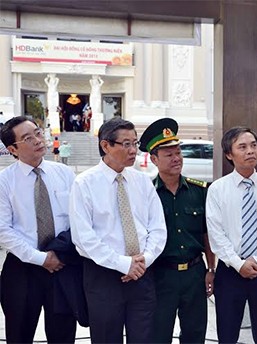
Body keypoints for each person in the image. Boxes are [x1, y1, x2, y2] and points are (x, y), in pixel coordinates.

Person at [69, 117, 167, 343]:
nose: (134, 150)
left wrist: (144, 260)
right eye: (126, 144)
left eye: (135, 143)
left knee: (143, 338)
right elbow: (84, 238)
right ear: (106, 145)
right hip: (104, 276)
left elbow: (158, 228)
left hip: (142, 274)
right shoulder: (84, 183)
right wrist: (123, 264)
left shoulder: (143, 182)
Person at [206, 126, 257, 344]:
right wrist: (238, 263)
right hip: (230, 272)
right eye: (242, 147)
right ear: (229, 155)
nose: (250, 151)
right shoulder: (217, 190)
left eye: (253, 145)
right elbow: (216, 234)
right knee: (227, 333)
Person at [0, 116, 77, 343]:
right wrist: (41, 258)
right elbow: (3, 230)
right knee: (19, 334)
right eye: (27, 138)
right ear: (13, 149)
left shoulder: (64, 174)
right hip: (22, 269)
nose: (37, 140)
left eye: (37, 132)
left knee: (63, 335)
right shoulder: (4, 182)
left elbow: (78, 220)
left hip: (62, 267)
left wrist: (58, 255)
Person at [139, 118, 216, 344]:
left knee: (195, 334)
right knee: (158, 334)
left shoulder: (198, 191)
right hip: (161, 275)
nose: (176, 159)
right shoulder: (147, 194)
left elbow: (206, 234)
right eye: (169, 154)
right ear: (154, 159)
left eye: (178, 152)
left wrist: (211, 268)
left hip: (194, 273)